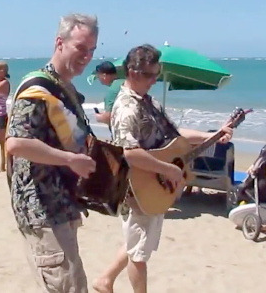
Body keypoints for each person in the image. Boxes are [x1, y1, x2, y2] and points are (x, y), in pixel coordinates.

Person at [92, 44, 233, 293]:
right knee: (139, 254)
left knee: (138, 242)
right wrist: (167, 170)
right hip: (137, 188)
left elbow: (175, 137)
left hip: (155, 185)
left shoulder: (148, 101)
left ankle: (105, 280)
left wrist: (211, 135)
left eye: (157, 74)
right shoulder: (127, 108)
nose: (155, 80)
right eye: (150, 75)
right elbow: (130, 152)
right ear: (133, 72)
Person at [5, 13, 99, 293]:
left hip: (63, 203)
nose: (87, 57)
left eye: (92, 50)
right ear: (60, 42)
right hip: (42, 207)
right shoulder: (38, 89)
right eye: (80, 48)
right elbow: (16, 143)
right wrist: (70, 160)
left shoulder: (64, 89)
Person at [93, 61, 124, 129]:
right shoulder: (125, 82)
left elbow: (108, 117)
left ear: (104, 76)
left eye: (98, 75)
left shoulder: (112, 90)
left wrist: (98, 117)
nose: (98, 78)